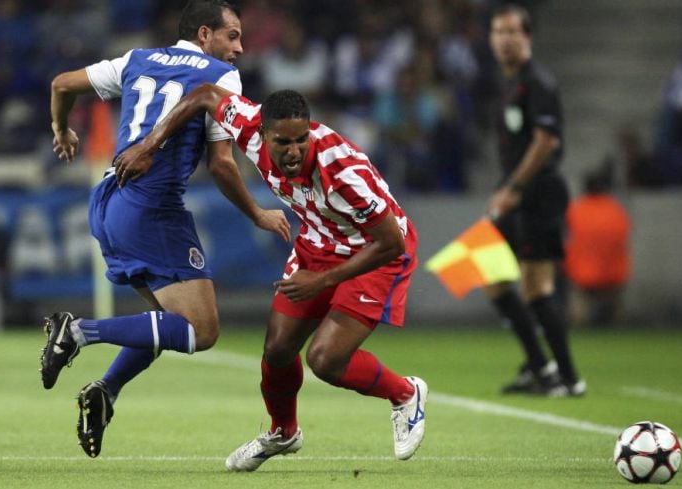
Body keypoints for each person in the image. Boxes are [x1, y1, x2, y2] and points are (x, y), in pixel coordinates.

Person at [114, 85, 428, 470]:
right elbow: (206, 95)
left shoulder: (341, 173)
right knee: (278, 350)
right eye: (283, 142)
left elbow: (391, 243)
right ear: (262, 135)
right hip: (319, 242)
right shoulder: (246, 126)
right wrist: (150, 145)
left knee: (325, 360)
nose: (293, 151)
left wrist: (323, 282)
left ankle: (405, 393)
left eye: (301, 140)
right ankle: (284, 433)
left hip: (374, 252)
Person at [40, 0, 290, 459]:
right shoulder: (221, 76)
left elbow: (61, 84)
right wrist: (257, 213)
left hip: (110, 202)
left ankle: (106, 390)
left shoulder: (137, 59)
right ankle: (76, 332)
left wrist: (62, 129)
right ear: (203, 35)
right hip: (154, 207)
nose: (239, 47)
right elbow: (220, 165)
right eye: (231, 35)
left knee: (163, 324)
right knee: (202, 330)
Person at [483, 4, 584, 397]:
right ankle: (540, 366)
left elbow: (546, 142)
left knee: (536, 286)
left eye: (512, 32)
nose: (505, 39)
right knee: (488, 273)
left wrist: (513, 189)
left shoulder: (537, 81)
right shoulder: (509, 81)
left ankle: (568, 378)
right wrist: (504, 188)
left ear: (528, 37)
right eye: (498, 32)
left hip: (537, 192)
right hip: (516, 191)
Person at [563, 165, 632, 327]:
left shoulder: (576, 210)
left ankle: (579, 327)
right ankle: (619, 327)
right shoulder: (615, 209)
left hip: (584, 273)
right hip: (613, 272)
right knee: (614, 299)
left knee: (578, 298)